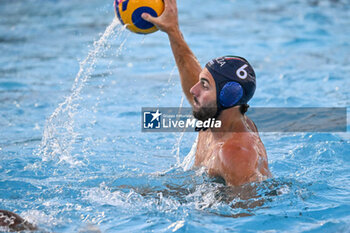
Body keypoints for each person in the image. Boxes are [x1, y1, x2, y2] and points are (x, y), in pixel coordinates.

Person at [141, 0, 271, 186]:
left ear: (228, 97)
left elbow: (247, 212)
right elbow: (191, 71)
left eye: (204, 85)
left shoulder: (236, 154)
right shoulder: (217, 117)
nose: (194, 90)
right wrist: (173, 31)